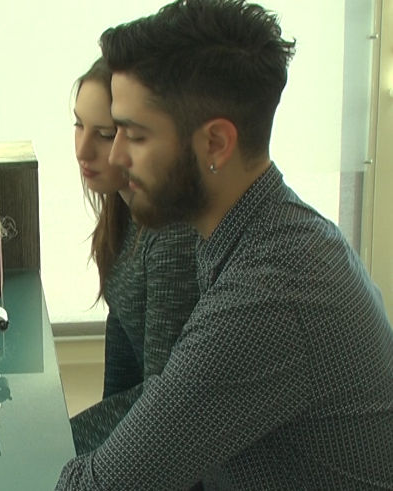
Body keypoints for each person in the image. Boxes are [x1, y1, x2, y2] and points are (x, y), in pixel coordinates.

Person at [57, 1, 393, 489]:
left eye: (134, 135)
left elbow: (103, 486)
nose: (114, 157)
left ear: (216, 143)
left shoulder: (270, 291)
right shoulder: (267, 233)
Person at [66, 57, 199, 456]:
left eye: (105, 134)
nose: (82, 150)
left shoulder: (172, 235)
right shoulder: (121, 210)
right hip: (144, 426)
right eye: (78, 125)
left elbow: (165, 408)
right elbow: (123, 340)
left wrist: (68, 446)